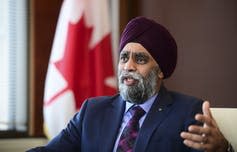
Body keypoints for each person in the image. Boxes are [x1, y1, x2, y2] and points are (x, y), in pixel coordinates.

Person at [27, 16, 234, 152]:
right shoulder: (92, 111)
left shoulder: (187, 112)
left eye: (140, 59)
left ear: (160, 70)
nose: (128, 66)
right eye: (124, 57)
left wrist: (223, 149)